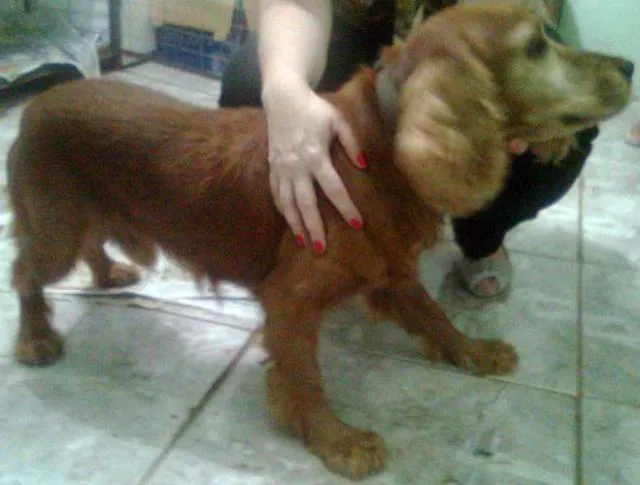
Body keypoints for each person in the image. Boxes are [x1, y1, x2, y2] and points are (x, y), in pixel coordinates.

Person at [219, 0, 599, 298]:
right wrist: (285, 88)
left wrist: (499, 100)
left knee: (565, 135)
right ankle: (311, 229)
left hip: (471, 36)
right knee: (251, 84)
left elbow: (509, 20)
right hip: (357, 18)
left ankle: (481, 236)